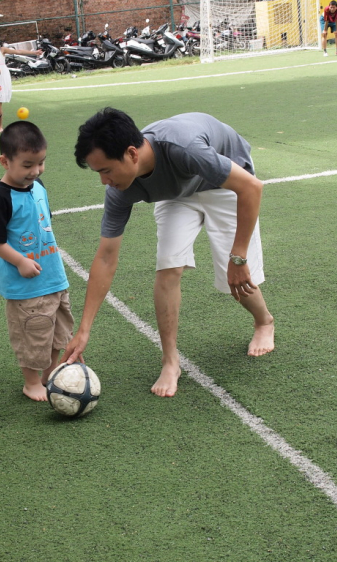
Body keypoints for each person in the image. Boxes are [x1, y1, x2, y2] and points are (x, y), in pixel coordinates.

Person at [64, 108, 275, 398]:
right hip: (177, 192)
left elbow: (251, 187)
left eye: (106, 170)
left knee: (235, 278)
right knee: (168, 266)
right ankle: (170, 361)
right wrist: (84, 329)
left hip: (224, 183)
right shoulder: (120, 190)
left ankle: (264, 321)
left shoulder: (185, 148)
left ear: (132, 154)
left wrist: (238, 258)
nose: (104, 181)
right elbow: (105, 257)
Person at [0, 121, 74, 401]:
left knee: (59, 331)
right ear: (4, 161)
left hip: (53, 277)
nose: (35, 171)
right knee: (33, 336)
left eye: (41, 163)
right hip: (26, 286)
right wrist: (20, 261)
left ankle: (49, 373)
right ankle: (31, 382)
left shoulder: (38, 186)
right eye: (27, 165)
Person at [0, 35, 42, 134]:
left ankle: (0, 126)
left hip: (1, 76)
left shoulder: (1, 50)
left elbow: (18, 52)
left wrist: (34, 52)